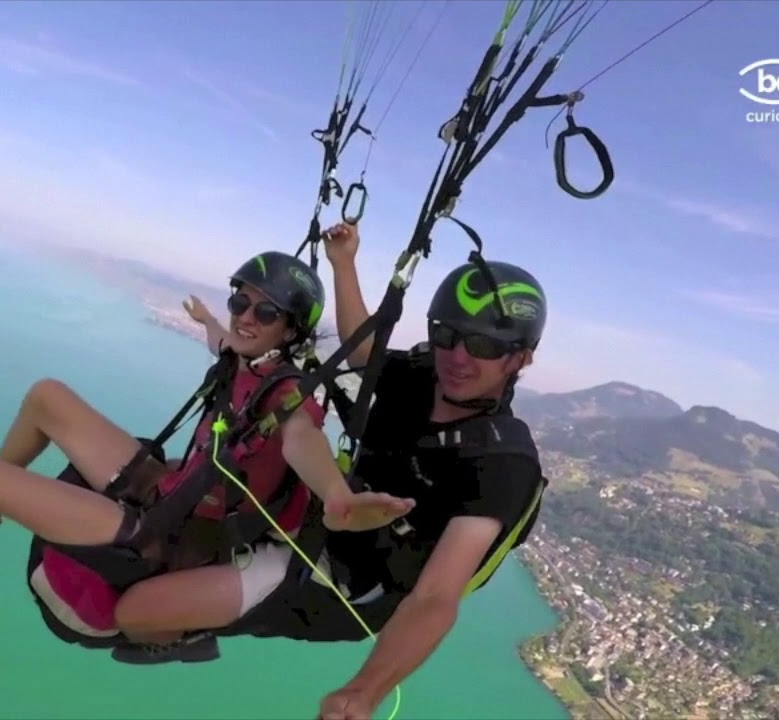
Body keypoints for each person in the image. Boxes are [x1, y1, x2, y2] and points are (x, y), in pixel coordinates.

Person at [0, 250, 415, 671]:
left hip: (178, 537)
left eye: (264, 312)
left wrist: (336, 496)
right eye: (241, 297)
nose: (246, 316)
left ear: (293, 333)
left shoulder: (292, 395)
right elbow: (224, 342)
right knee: (47, 397)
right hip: (172, 491)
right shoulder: (247, 356)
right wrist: (211, 318)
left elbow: (303, 440)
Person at [104, 224, 550, 720]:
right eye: (446, 334)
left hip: (344, 585)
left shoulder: (502, 466)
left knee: (136, 611)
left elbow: (436, 597)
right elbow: (363, 352)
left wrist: (364, 692)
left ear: (522, 359)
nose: (459, 357)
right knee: (167, 480)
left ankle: (186, 630)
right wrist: (344, 264)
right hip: (318, 510)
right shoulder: (424, 378)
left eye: (485, 347)